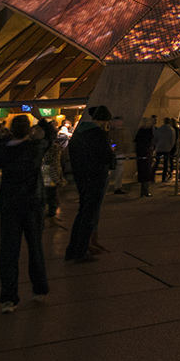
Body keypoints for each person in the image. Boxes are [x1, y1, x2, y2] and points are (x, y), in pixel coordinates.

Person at [0, 115, 48, 311]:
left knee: (8, 251)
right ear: (28, 130)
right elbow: (51, 138)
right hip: (32, 204)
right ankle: (39, 288)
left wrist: (4, 138)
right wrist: (41, 118)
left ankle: (8, 297)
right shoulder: (34, 148)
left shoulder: (3, 149)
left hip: (9, 204)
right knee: (35, 247)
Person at [64, 106, 112, 263]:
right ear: (104, 121)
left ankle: (72, 249)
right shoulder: (98, 134)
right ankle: (81, 251)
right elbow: (108, 157)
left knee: (81, 213)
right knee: (89, 215)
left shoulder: (78, 133)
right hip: (96, 178)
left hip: (81, 178)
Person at [134, 116, 157, 197]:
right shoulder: (149, 131)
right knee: (146, 172)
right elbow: (150, 142)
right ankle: (145, 191)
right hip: (146, 154)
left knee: (142, 172)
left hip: (141, 154)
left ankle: (143, 191)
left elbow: (136, 141)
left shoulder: (140, 131)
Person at [154, 116, 177, 182]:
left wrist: (157, 145)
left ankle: (152, 176)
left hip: (159, 148)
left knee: (157, 162)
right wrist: (170, 147)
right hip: (167, 149)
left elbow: (156, 138)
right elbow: (172, 140)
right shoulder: (171, 130)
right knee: (165, 164)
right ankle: (163, 178)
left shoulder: (160, 129)